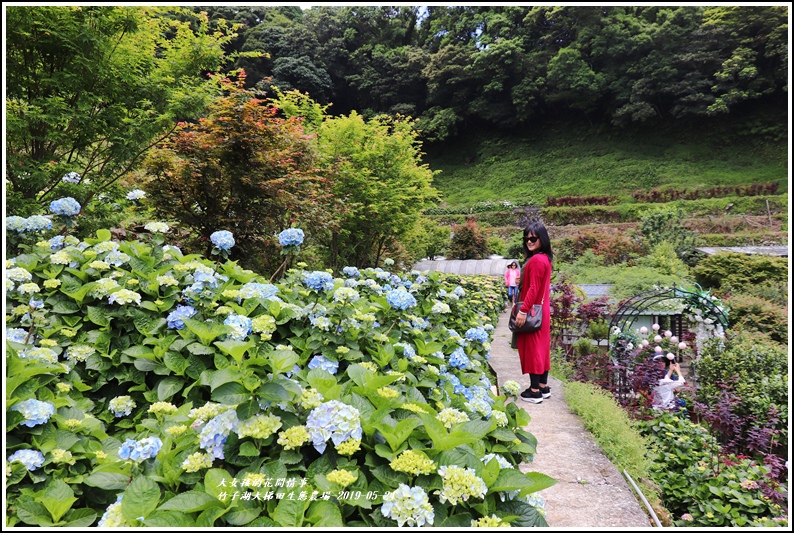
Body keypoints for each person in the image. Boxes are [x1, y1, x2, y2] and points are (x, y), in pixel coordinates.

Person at [514, 221, 553, 404]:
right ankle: (543, 386)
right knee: (542, 347)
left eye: (533, 238)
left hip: (533, 309)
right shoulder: (544, 258)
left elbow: (533, 289)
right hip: (542, 309)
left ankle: (534, 390)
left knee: (533, 348)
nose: (529, 241)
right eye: (526, 238)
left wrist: (523, 310)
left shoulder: (537, 260)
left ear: (541, 239)